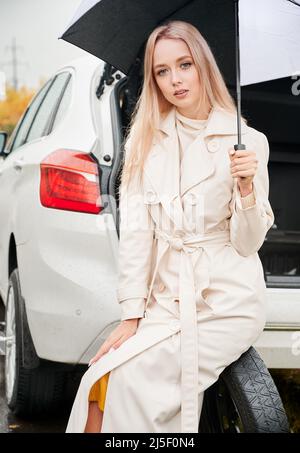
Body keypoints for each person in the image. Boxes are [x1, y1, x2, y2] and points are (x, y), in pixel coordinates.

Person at [66, 20, 275, 434]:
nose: (175, 80)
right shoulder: (145, 142)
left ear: (203, 66)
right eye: (162, 71)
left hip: (224, 300)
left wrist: (248, 188)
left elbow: (247, 242)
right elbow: (139, 237)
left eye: (184, 65)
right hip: (166, 301)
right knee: (99, 380)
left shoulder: (248, 142)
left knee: (131, 386)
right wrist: (131, 314)